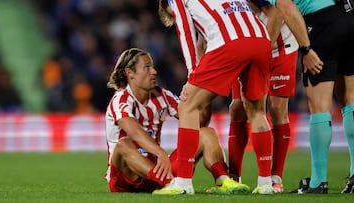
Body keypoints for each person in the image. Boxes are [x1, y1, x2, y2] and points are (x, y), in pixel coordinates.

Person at [155, 0, 276, 195]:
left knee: (187, 106)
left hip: (230, 42)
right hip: (261, 38)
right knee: (256, 111)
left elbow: (186, 32)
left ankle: (183, 182)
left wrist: (192, 73)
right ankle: (265, 184)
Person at [104, 47, 250, 194]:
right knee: (123, 144)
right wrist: (160, 152)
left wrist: (204, 95)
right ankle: (171, 182)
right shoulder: (120, 99)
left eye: (153, 67)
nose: (154, 71)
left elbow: (198, 123)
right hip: (125, 178)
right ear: (130, 73)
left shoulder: (163, 95)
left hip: (157, 170)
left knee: (206, 133)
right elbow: (133, 131)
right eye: (147, 67)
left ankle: (222, 180)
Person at [267, 0, 354, 194]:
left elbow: (286, 7)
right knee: (350, 101)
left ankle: (317, 182)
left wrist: (305, 49)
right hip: (349, 16)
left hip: (323, 24)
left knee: (319, 106)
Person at [228, 0, 298, 194]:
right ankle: (233, 178)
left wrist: (262, 53)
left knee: (277, 110)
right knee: (237, 109)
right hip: (246, 47)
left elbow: (275, 14)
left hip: (279, 47)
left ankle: (275, 177)